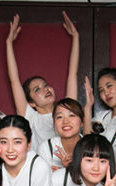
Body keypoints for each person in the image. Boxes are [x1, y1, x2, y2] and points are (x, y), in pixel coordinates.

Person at [5, 11, 81, 146]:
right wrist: (8, 43)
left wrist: (75, 36)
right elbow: (14, 81)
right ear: (31, 103)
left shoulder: (66, 109)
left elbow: (72, 73)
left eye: (45, 85)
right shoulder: (30, 117)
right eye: (37, 89)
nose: (45, 89)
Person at [85, 67, 116, 144]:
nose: (106, 93)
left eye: (109, 86)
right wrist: (87, 107)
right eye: (101, 90)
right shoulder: (102, 116)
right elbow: (86, 143)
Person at [37, 98, 84, 171]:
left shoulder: (92, 147)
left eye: (71, 115)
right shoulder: (46, 148)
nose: (65, 121)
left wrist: (65, 170)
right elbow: (42, 177)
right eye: (59, 117)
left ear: (82, 122)